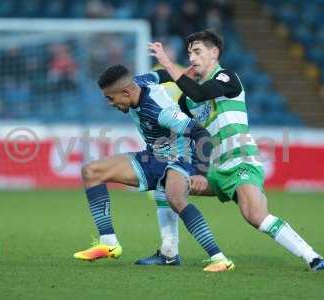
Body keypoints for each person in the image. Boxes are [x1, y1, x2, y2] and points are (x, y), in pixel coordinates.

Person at [136, 29, 324, 271]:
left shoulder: (227, 78)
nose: (192, 58)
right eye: (189, 54)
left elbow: (199, 91)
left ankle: (313, 258)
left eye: (197, 51)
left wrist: (166, 62)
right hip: (213, 170)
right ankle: (168, 252)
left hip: (240, 162)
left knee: (255, 216)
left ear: (214, 53)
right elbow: (178, 121)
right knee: (168, 185)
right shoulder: (187, 102)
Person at [73, 64, 234, 272]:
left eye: (111, 98)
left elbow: (201, 134)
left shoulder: (161, 111)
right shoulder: (140, 81)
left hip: (180, 157)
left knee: (174, 198)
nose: (110, 103)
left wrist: (201, 173)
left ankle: (220, 259)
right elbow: (162, 74)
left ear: (126, 92)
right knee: (91, 171)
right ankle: (110, 244)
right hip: (153, 156)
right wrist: (188, 72)